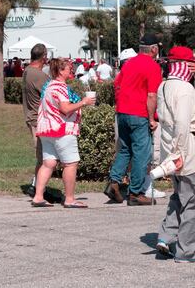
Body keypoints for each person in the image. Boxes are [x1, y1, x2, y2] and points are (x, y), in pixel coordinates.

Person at [104, 33, 163, 206]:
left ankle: (114, 182)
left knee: (125, 149)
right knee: (141, 154)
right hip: (139, 114)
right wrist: (152, 118)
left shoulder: (129, 64)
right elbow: (152, 95)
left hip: (122, 112)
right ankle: (135, 193)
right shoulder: (152, 66)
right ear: (153, 49)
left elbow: (117, 84)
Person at [31, 58, 96, 208]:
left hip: (47, 131)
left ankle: (38, 196)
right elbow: (65, 109)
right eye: (68, 69)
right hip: (62, 130)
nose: (71, 71)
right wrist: (83, 102)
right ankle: (69, 199)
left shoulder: (48, 86)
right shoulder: (60, 88)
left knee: (48, 163)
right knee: (70, 163)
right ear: (60, 71)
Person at [155, 46, 195, 261]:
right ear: (185, 64)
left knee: (179, 198)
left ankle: (166, 236)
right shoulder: (186, 89)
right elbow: (182, 123)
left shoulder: (163, 86)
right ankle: (186, 250)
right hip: (185, 153)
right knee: (191, 202)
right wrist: (179, 154)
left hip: (169, 151)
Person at [22, 43, 49, 198]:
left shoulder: (27, 71)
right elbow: (55, 91)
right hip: (37, 120)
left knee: (43, 157)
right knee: (44, 158)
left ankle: (36, 185)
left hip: (32, 117)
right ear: (43, 56)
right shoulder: (38, 75)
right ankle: (38, 189)